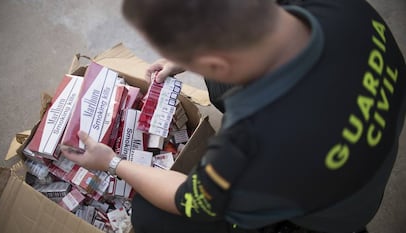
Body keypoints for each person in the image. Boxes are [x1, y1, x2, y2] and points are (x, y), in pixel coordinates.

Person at [61, 0, 406, 232]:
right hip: (372, 152)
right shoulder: (343, 7)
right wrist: (191, 56)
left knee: (151, 216)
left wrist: (112, 162)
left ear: (216, 60)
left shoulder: (247, 144)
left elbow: (187, 201)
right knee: (219, 88)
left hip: (331, 217)